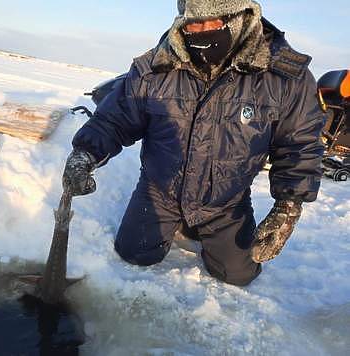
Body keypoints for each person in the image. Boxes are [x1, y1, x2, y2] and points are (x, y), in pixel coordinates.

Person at [62, 0, 325, 286]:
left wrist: (289, 204)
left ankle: (202, 227)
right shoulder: (157, 66)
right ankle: (176, 222)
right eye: (191, 22)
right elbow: (116, 118)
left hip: (226, 200)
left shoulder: (284, 76)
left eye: (209, 22)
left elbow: (300, 144)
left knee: (238, 275)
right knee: (133, 253)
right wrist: (84, 153)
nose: (198, 31)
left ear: (238, 18)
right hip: (159, 191)